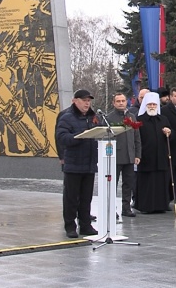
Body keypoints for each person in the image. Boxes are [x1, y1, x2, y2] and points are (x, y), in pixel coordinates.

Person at [55, 89, 101, 238]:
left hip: (89, 163)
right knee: (71, 198)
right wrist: (78, 137)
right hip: (74, 164)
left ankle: (85, 225)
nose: (87, 103)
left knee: (86, 197)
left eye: (89, 101)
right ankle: (70, 226)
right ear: (75, 101)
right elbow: (62, 137)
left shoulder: (93, 117)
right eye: (84, 100)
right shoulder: (66, 117)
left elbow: (98, 131)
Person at [135, 92, 173, 213]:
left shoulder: (163, 119)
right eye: (150, 104)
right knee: (147, 183)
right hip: (146, 156)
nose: (152, 106)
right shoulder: (139, 120)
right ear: (146, 105)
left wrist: (169, 132)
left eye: (154, 104)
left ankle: (161, 205)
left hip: (161, 156)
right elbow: (136, 138)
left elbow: (172, 136)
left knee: (160, 182)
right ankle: (146, 206)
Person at [106, 93, 141, 217]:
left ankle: (126, 208)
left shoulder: (131, 116)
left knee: (128, 183)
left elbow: (137, 137)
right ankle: (111, 208)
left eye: (123, 101)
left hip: (130, 155)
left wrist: (137, 154)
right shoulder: (108, 118)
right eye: (118, 101)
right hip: (115, 156)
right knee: (112, 184)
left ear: (127, 102)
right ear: (113, 103)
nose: (121, 103)